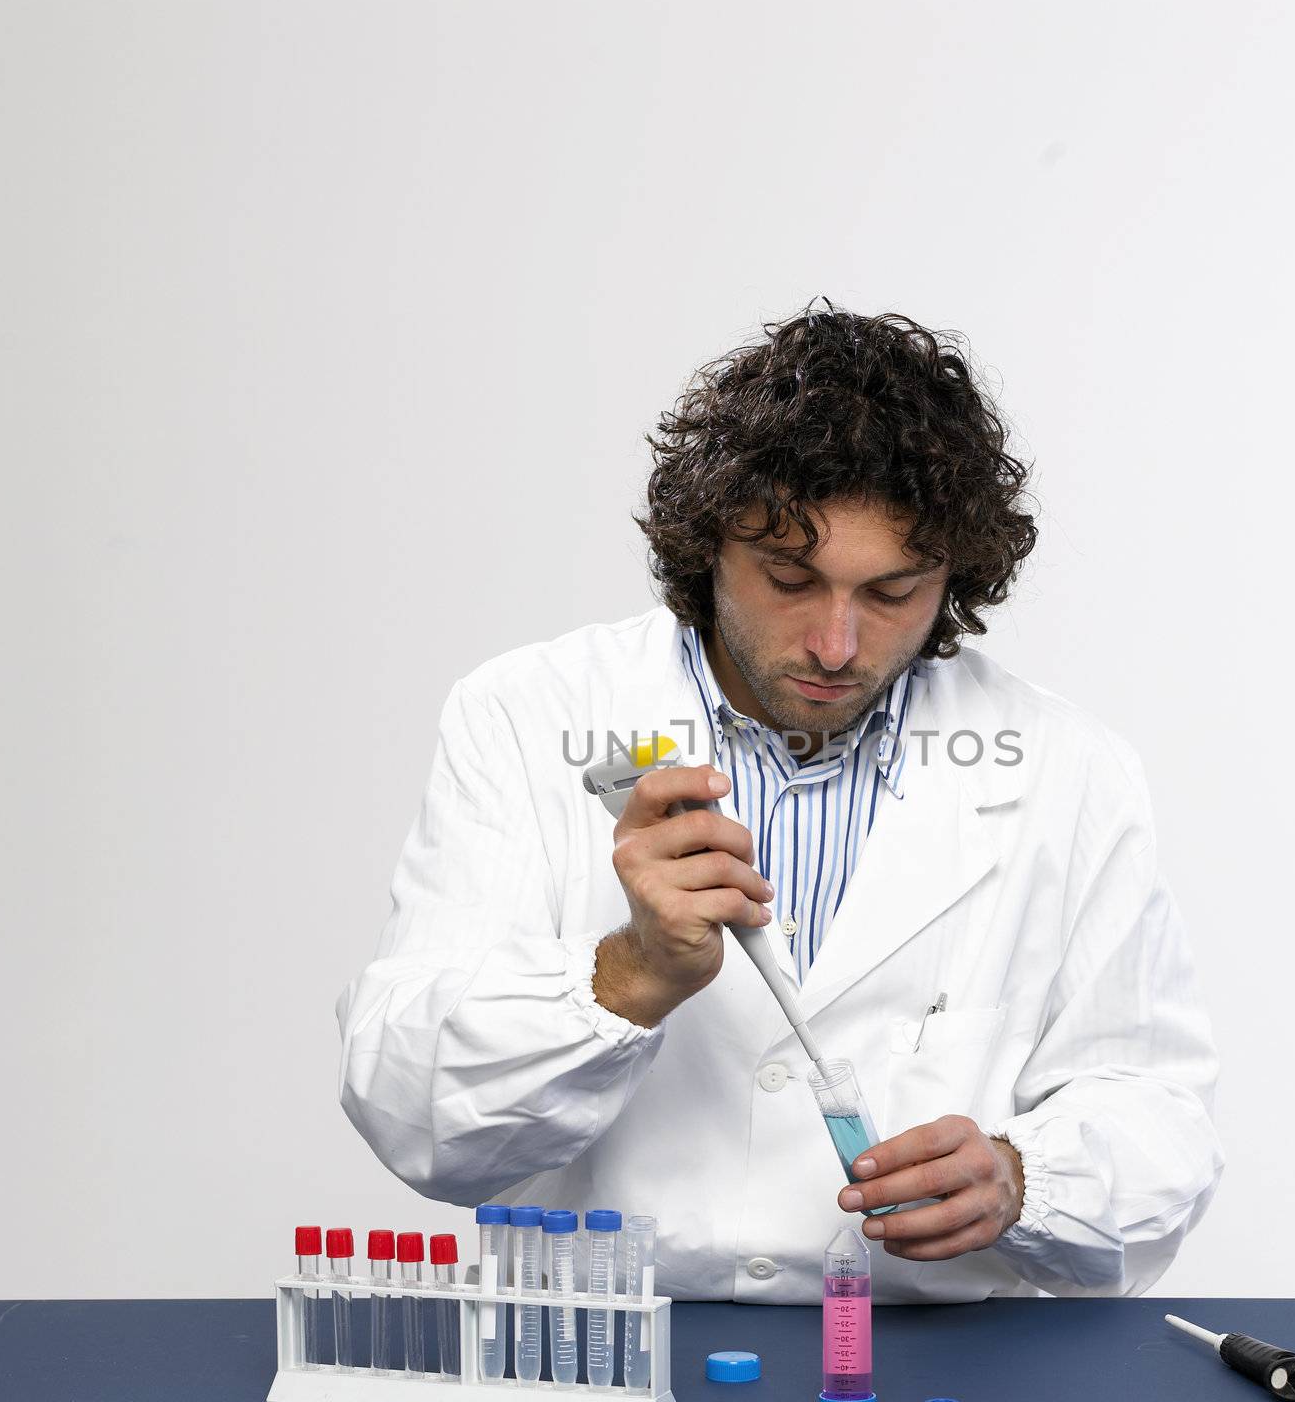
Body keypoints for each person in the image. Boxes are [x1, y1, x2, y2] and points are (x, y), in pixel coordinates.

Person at [336, 300, 1224, 1302]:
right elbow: (408, 1110)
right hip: (605, 1358)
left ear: (952, 579)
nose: (835, 642)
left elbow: (1159, 1115)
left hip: (933, 1386)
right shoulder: (528, 714)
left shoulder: (1066, 771)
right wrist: (629, 975)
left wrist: (1024, 1177)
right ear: (708, 544)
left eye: (891, 592)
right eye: (790, 577)